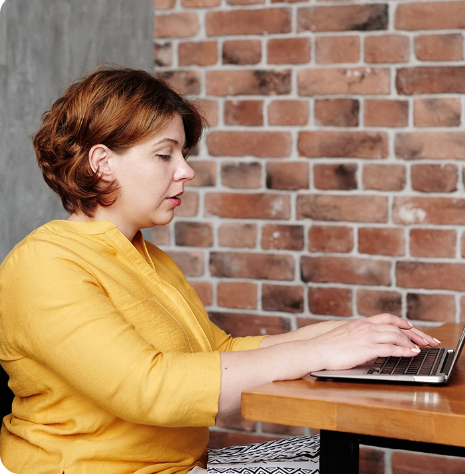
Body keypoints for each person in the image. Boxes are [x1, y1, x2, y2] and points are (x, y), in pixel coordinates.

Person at [0, 65, 440, 474]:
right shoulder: (44, 264)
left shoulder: (146, 256)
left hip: (180, 466)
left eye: (184, 155)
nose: (186, 171)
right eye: (164, 155)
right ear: (102, 162)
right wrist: (319, 353)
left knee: (330, 457)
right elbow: (150, 389)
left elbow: (219, 350)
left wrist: (340, 335)